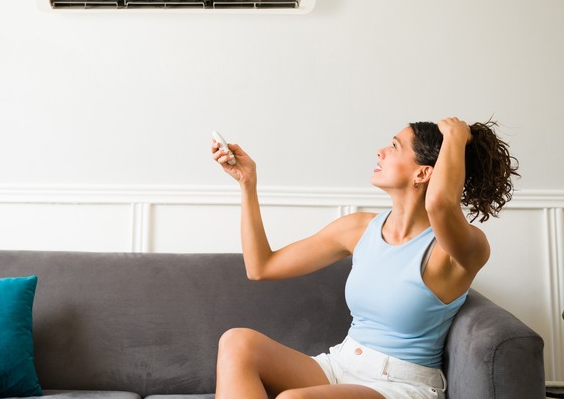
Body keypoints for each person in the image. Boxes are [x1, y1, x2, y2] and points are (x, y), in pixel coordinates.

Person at [210, 117, 520, 399]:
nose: (380, 152)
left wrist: (455, 133)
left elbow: (440, 205)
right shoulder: (359, 228)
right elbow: (260, 267)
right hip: (341, 365)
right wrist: (247, 183)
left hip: (400, 386)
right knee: (237, 342)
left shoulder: (459, 251)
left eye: (395, 146)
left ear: (423, 173)